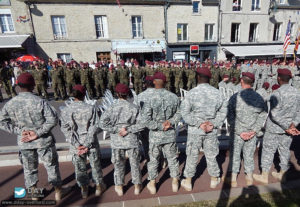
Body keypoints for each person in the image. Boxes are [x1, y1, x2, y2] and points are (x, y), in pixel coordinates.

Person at [0, 73, 66, 201]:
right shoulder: (39, 101)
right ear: (33, 85)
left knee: (29, 168)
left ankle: (34, 193)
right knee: (51, 166)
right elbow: (53, 119)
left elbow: (2, 121)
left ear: (18, 85)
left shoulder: (11, 103)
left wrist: (19, 131)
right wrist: (38, 133)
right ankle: (58, 191)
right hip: (43, 141)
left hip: (25, 141)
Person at [180, 67, 227, 191]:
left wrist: (198, 123)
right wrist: (214, 123)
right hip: (210, 129)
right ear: (209, 79)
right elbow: (223, 111)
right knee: (211, 155)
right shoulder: (217, 93)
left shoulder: (191, 93)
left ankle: (189, 181)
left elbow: (184, 112)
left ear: (198, 77)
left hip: (195, 130)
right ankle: (213, 179)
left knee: (192, 155)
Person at [253, 69, 300, 184]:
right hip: (289, 129)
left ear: (279, 78)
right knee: (285, 151)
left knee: (268, 151)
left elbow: (274, 114)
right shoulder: (297, 93)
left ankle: (264, 176)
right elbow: (299, 111)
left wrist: (288, 126)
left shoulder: (276, 93)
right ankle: (283, 174)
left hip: (275, 128)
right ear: (289, 79)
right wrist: (293, 124)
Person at [59, 85, 106, 198]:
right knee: (95, 165)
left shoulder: (66, 110)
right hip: (91, 142)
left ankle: (84, 189)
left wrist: (77, 144)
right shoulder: (90, 108)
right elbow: (95, 126)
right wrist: (87, 143)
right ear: (84, 95)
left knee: (79, 167)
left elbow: (65, 129)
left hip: (76, 144)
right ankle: (99, 186)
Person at [99, 83, 144, 196]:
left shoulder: (112, 108)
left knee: (118, 164)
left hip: (117, 141)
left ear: (117, 94)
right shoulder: (134, 108)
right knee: (135, 164)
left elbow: (102, 124)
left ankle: (119, 186)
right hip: (131, 140)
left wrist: (115, 129)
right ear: (127, 94)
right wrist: (128, 129)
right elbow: (142, 124)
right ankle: (137, 185)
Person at [142, 72, 181, 194]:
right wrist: (170, 122)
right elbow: (179, 113)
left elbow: (145, 120)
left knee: (153, 159)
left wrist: (159, 126)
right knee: (172, 158)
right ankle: (175, 181)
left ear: (154, 82)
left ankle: (152, 183)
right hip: (169, 133)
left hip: (155, 135)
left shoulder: (149, 99)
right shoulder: (174, 97)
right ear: (165, 83)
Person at [226, 72, 267, 187]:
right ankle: (249, 178)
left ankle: (233, 179)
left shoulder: (235, 97)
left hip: (238, 133)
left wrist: (240, 131)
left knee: (235, 155)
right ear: (252, 82)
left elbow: (230, 116)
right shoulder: (259, 97)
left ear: (241, 81)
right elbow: (263, 115)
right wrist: (254, 130)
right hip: (251, 134)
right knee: (249, 155)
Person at [134, 76, 155, 162]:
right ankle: (161, 159)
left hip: (144, 124)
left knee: (146, 143)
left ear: (145, 84)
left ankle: (148, 159)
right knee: (158, 143)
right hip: (157, 123)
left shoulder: (139, 96)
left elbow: (136, 112)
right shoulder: (160, 94)